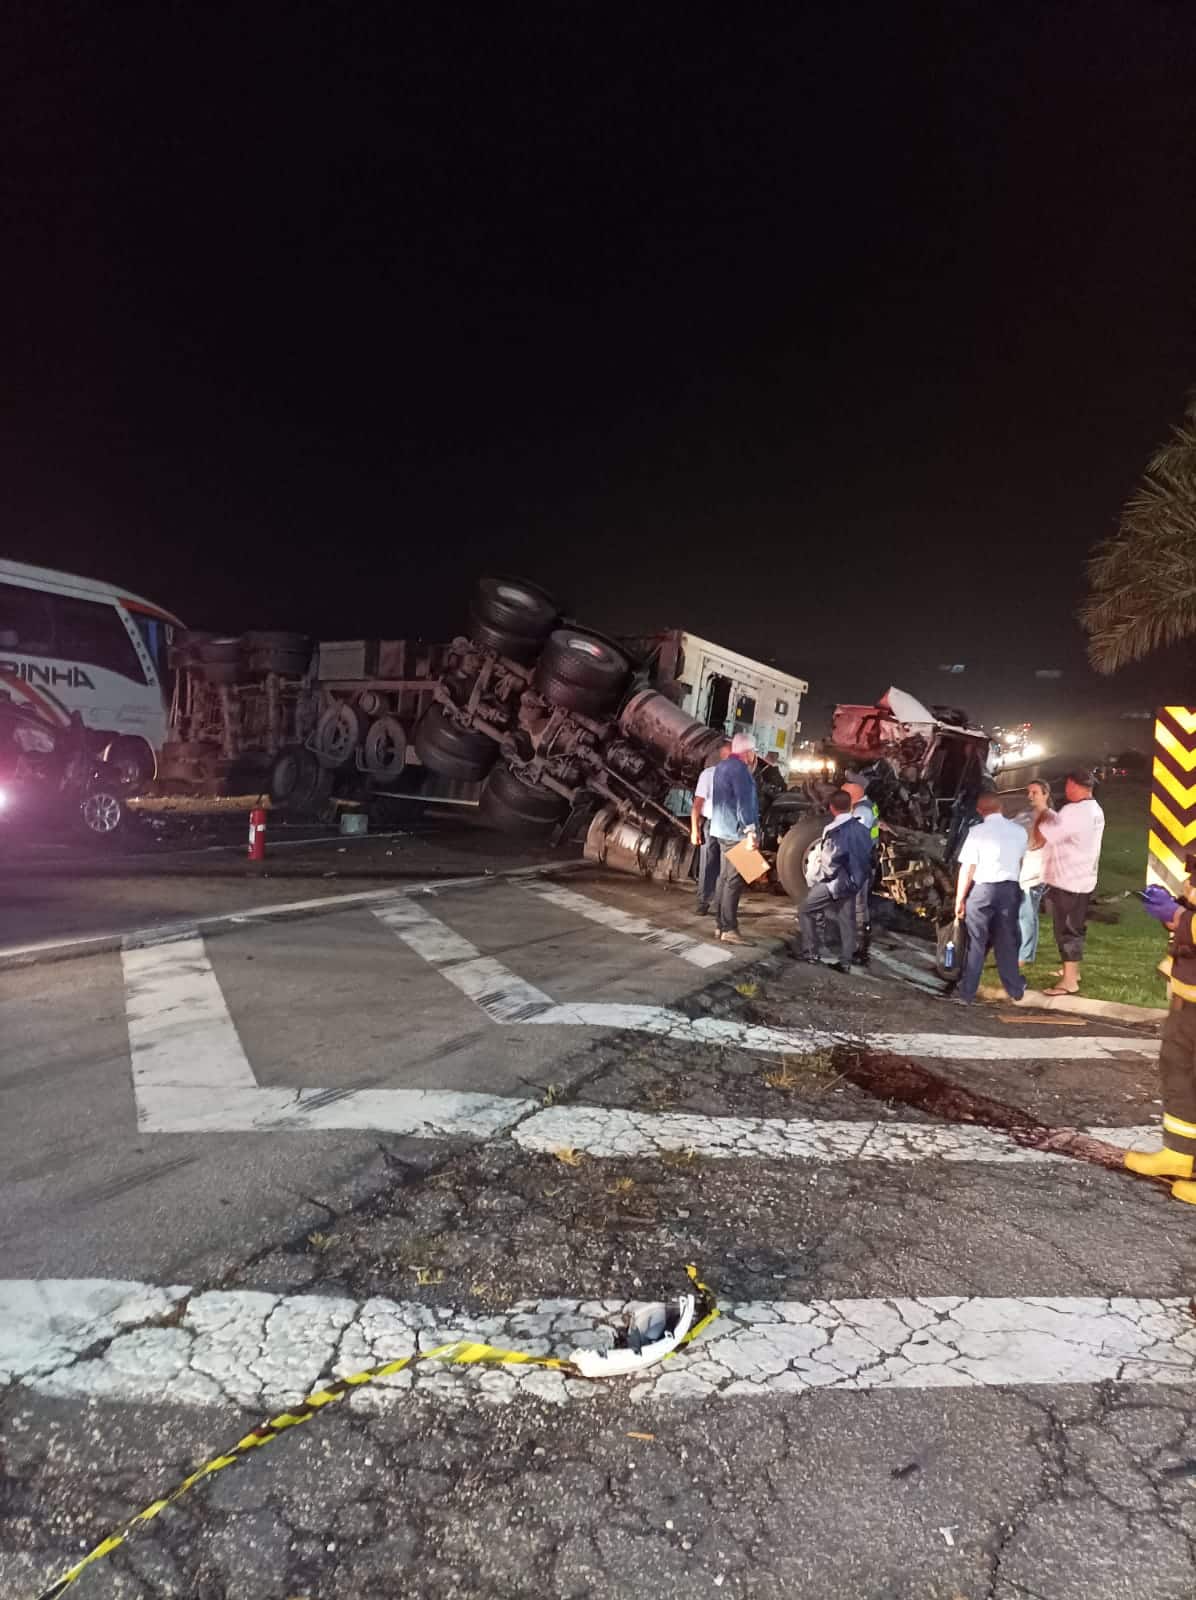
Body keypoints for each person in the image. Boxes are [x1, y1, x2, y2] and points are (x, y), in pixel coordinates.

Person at [1125, 881, 1196, 1204]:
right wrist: (1176, 915)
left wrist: (1181, 917)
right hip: (1189, 994)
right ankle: (1179, 1153)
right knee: (1178, 1071)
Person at [1033, 768, 1105, 995]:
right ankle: (1073, 971)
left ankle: (1069, 982)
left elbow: (1049, 834)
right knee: (1075, 928)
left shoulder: (1075, 811)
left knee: (1066, 930)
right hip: (1083, 880)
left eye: (1068, 785)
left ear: (1074, 785)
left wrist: (1042, 809)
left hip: (1068, 881)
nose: (1066, 789)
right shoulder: (1094, 809)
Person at [952, 791, 1027, 1004]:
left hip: (983, 890)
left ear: (979, 810)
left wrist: (960, 899)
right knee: (1006, 941)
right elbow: (1020, 860)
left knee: (976, 942)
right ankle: (1015, 989)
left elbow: (968, 868)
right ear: (1001, 808)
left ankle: (967, 992)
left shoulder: (976, 832)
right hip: (1009, 890)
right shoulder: (1019, 831)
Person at [797, 789, 874, 972]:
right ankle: (845, 962)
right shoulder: (863, 829)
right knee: (847, 921)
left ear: (832, 808)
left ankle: (810, 952)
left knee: (805, 909)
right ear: (850, 806)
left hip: (836, 883)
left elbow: (830, 861)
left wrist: (819, 878)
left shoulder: (833, 830)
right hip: (855, 881)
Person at [707, 732, 760, 945]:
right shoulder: (741, 771)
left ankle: (720, 926)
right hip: (735, 832)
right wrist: (751, 832)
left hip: (720, 829)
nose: (754, 756)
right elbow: (744, 803)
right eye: (753, 752)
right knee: (733, 881)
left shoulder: (722, 766)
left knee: (724, 878)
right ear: (748, 752)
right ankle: (729, 928)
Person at [690, 738, 733, 915]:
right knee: (711, 865)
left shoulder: (736, 777)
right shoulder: (708, 775)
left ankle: (717, 904)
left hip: (727, 825)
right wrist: (695, 829)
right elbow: (697, 804)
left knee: (722, 867)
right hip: (716, 824)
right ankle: (705, 902)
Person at [1014, 779, 1052, 966]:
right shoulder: (1024, 816)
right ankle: (1024, 952)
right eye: (1028, 792)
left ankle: (1024, 955)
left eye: (1034, 792)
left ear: (1045, 794)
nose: (1030, 796)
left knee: (1026, 912)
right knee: (1025, 912)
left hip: (1037, 872)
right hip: (1023, 869)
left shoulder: (1052, 818)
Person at [842, 771, 878, 964]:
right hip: (863, 862)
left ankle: (859, 950)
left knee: (857, 906)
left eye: (847, 785)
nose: (843, 788)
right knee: (859, 905)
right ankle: (860, 947)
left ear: (857, 789)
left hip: (859, 863)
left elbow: (856, 840)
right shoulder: (866, 806)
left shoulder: (861, 811)